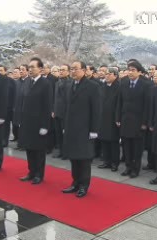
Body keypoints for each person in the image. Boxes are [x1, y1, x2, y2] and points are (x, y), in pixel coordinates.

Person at [62, 61, 100, 197]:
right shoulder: (70, 85)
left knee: (84, 159)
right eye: (71, 69)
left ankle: (84, 185)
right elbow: (67, 108)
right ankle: (75, 183)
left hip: (85, 128)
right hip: (72, 128)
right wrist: (65, 127)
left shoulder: (92, 86)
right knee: (74, 157)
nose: (73, 71)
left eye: (75, 69)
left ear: (84, 70)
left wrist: (94, 130)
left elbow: (96, 109)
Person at [19, 57, 51, 184]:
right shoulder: (27, 82)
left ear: (41, 69)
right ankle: (31, 172)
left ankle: (39, 174)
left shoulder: (45, 83)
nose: (30, 69)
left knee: (39, 150)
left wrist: (45, 125)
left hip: (39, 123)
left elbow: (47, 105)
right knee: (29, 149)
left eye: (33, 67)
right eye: (29, 67)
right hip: (27, 122)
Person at [116, 61, 151, 178]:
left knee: (137, 148)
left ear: (139, 72)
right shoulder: (123, 82)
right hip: (125, 119)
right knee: (126, 146)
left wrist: (145, 122)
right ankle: (128, 167)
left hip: (138, 121)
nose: (130, 72)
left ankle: (135, 169)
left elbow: (147, 105)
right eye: (129, 70)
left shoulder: (146, 84)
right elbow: (119, 102)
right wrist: (118, 118)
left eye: (133, 70)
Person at [97, 67, 120, 171]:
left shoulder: (119, 87)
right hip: (102, 117)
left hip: (113, 118)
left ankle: (114, 163)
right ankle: (106, 161)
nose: (106, 75)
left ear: (115, 75)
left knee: (113, 142)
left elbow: (119, 104)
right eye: (105, 74)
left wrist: (117, 118)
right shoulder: (102, 86)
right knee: (104, 140)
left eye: (109, 74)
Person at [52, 64, 71, 159]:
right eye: (60, 70)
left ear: (68, 71)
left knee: (65, 134)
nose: (61, 71)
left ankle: (66, 152)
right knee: (58, 133)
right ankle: (60, 150)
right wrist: (53, 110)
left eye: (63, 70)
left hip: (65, 113)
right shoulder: (57, 83)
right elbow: (54, 98)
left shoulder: (70, 83)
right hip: (57, 112)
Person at [0, 65, 16, 147]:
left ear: (5, 71)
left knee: (6, 125)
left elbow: (14, 94)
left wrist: (12, 106)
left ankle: (5, 140)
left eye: (1, 70)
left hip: (7, 107)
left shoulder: (10, 81)